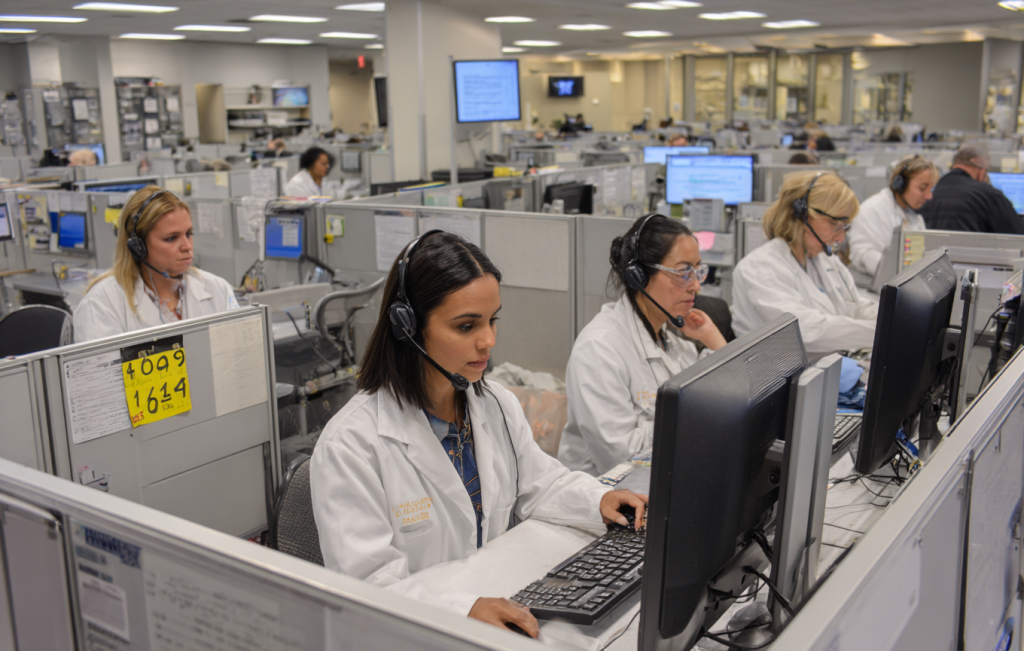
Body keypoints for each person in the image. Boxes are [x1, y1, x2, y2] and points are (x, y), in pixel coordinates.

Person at [310, 230, 647, 638]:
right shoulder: (352, 445)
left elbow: (541, 483)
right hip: (418, 635)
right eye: (466, 325)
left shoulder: (494, 403)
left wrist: (599, 499)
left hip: (498, 605)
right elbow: (369, 589)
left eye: (492, 320)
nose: (488, 341)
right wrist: (462, 609)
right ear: (407, 327)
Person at [559, 214, 726, 476]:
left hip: (669, 482)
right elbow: (622, 459)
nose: (696, 286)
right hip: (609, 499)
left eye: (698, 271)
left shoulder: (671, 340)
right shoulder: (599, 350)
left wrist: (710, 335)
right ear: (639, 276)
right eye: (684, 272)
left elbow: (723, 397)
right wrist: (696, 423)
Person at [732, 171, 878, 357]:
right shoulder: (760, 268)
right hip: (781, 381)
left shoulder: (824, 260)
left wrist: (894, 317)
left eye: (845, 226)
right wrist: (881, 332)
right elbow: (807, 331)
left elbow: (854, 306)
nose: (841, 237)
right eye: (835, 224)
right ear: (801, 214)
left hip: (826, 371)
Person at [73, 186, 239, 342]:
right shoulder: (102, 303)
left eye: (188, 234)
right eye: (171, 238)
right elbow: (100, 371)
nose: (187, 246)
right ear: (138, 247)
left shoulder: (218, 289)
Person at [847, 156, 940, 276]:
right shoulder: (873, 209)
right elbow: (862, 253)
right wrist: (899, 273)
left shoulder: (914, 217)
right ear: (900, 184)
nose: (929, 196)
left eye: (931, 189)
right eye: (922, 188)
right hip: (874, 288)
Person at [918, 145, 1024, 234]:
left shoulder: (930, 193)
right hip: (973, 257)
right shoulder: (988, 194)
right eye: (985, 170)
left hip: (932, 257)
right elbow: (1017, 234)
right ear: (977, 162)